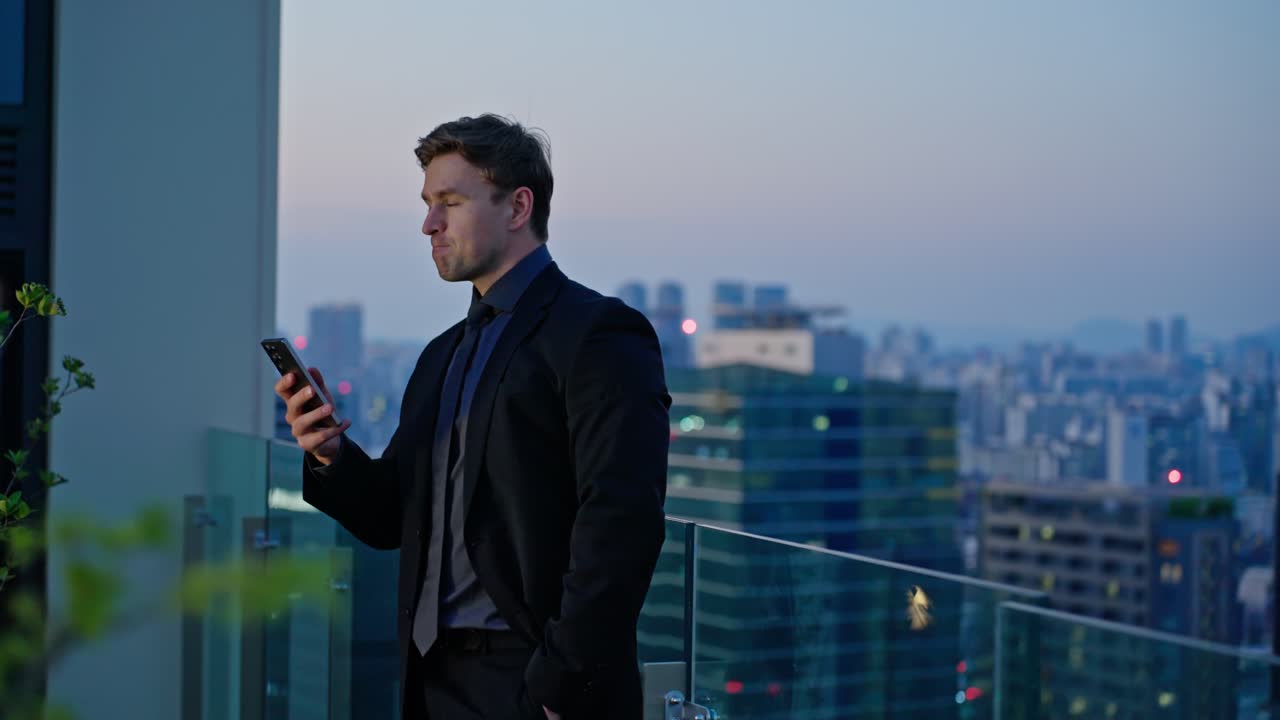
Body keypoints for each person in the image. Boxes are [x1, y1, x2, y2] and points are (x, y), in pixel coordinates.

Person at [275, 114, 670, 719]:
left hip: (534, 681)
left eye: (449, 203)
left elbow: (622, 520)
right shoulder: (442, 354)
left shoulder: (597, 333)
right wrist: (330, 455)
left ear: (517, 208)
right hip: (432, 681)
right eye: (429, 204)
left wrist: (558, 686)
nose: (428, 223)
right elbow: (391, 518)